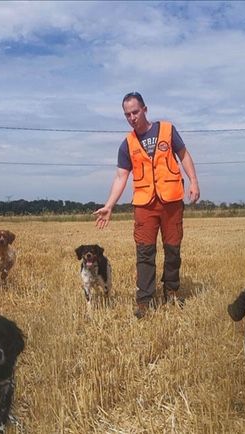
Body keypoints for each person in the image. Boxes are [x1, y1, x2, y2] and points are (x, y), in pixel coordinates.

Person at [93, 91, 200, 318]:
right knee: (144, 253)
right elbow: (121, 177)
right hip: (144, 205)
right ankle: (145, 300)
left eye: (135, 112)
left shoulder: (167, 131)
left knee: (173, 249)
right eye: (127, 114)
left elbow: (184, 155)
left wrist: (194, 181)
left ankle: (171, 291)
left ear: (145, 110)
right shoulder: (127, 144)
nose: (132, 117)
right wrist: (109, 205)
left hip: (171, 200)